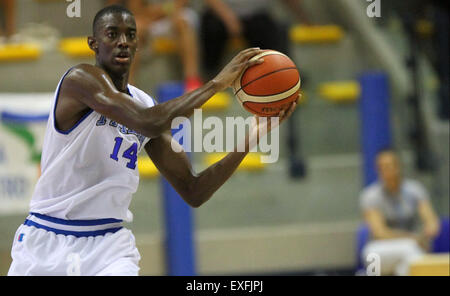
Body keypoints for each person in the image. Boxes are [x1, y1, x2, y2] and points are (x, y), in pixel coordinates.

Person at [7, 5, 298, 276]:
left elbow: (193, 190)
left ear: (137, 44)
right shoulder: (79, 80)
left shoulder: (144, 103)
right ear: (93, 44)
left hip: (107, 246)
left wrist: (252, 136)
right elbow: (147, 122)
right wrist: (216, 84)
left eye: (130, 35)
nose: (123, 41)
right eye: (112, 34)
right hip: (46, 239)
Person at [360, 149, 440, 276]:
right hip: (378, 251)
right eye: (381, 167)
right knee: (409, 250)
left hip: (413, 247)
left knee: (408, 261)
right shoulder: (370, 195)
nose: (385, 170)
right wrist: (413, 238)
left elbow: (432, 221)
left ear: (398, 166)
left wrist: (429, 230)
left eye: (389, 166)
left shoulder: (415, 190)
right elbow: (380, 232)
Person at [107, 0, 202, 91]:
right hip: (150, 19)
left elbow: (181, 3)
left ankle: (192, 80)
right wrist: (165, 9)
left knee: (183, 23)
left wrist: (158, 11)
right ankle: (128, 84)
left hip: (173, 17)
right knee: (135, 28)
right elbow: (136, 10)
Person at [200, 0, 309, 79]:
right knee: (212, 28)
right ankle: (210, 74)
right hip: (220, 15)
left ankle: (282, 72)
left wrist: (304, 18)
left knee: (277, 29)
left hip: (256, 16)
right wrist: (229, 18)